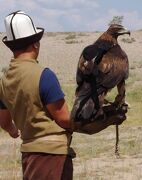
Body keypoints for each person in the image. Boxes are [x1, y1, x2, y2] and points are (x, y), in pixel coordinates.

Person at [0, 11, 74, 180]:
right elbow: (63, 119)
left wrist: (13, 131)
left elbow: (4, 121)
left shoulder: (4, 81)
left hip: (29, 155)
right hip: (52, 156)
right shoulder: (44, 75)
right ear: (35, 44)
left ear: (11, 47)